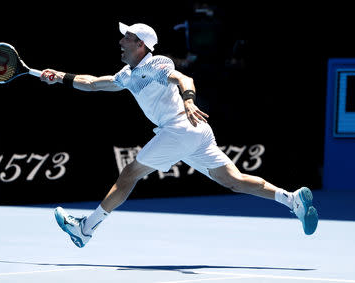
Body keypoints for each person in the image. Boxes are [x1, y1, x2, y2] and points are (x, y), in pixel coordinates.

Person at [40, 22, 318, 248]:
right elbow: (93, 84)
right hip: (195, 134)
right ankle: (291, 199)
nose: (121, 41)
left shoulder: (156, 64)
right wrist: (59, 76)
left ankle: (85, 229)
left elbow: (185, 79)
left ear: (141, 45)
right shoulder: (128, 73)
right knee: (233, 180)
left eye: (128, 37)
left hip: (178, 129)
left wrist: (188, 100)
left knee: (129, 175)